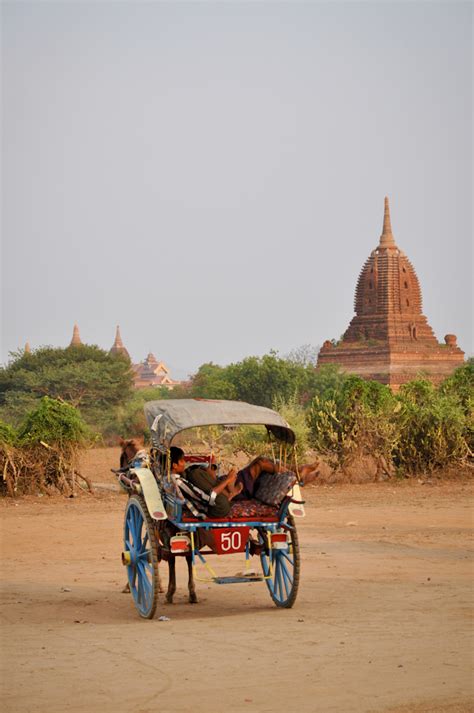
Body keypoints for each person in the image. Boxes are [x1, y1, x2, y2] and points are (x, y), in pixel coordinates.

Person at [169, 447, 242, 518]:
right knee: (195, 474)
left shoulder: (170, 478)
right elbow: (210, 497)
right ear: (174, 465)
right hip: (218, 508)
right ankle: (228, 493)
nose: (184, 463)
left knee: (196, 472)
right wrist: (228, 480)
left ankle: (227, 492)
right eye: (182, 461)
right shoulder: (179, 482)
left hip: (211, 503)